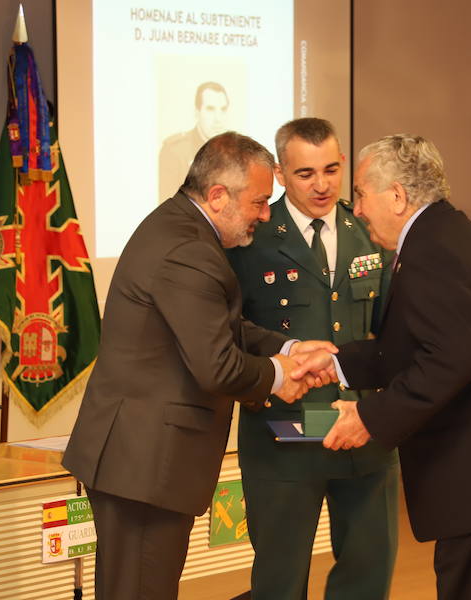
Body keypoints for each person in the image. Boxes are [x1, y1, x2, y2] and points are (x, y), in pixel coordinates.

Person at [293, 135, 471, 599]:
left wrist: (367, 417)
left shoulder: (432, 249)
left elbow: (449, 361)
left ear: (397, 196)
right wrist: (338, 362)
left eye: (361, 193)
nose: (356, 209)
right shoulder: (440, 234)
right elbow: (413, 347)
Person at [63, 131, 335, 600]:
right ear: (216, 196)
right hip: (145, 464)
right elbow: (218, 366)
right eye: (259, 202)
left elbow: (222, 326)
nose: (265, 215)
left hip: (141, 460)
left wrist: (291, 349)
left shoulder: (181, 230)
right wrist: (278, 377)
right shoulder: (187, 250)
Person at [227, 118, 399, 599]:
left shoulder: (367, 228)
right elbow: (227, 328)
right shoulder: (252, 235)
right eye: (305, 174)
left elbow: (390, 327)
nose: (321, 185)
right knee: (280, 581)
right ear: (280, 174)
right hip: (284, 435)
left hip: (362, 427)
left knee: (369, 571)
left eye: (331, 170)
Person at [159, 81, 230, 201]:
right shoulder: (175, 152)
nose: (218, 118)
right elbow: (166, 207)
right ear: (197, 113)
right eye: (210, 109)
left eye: (222, 110)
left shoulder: (235, 152)